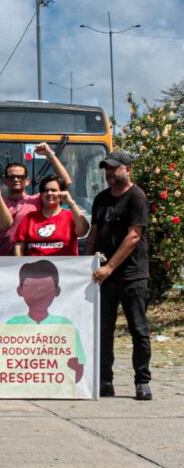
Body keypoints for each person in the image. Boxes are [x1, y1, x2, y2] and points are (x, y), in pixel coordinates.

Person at [86, 151, 152, 401]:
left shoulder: (136, 197)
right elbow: (94, 232)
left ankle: (142, 381)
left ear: (127, 169)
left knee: (138, 329)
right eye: (107, 169)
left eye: (114, 169)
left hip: (132, 275)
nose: (110, 173)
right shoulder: (101, 198)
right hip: (104, 276)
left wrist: (110, 267)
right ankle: (105, 381)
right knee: (104, 330)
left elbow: (133, 236)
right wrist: (87, 262)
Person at [0, 143, 72, 256]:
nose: (16, 180)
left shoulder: (38, 199)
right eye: (12, 177)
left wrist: (50, 154)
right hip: (4, 261)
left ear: (27, 181)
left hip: (31, 261)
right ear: (5, 180)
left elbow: (65, 182)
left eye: (21, 177)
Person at [12, 174, 88, 257]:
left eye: (54, 190)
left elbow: (83, 231)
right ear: (40, 195)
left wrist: (71, 203)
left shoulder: (70, 216)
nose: (49, 193)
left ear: (62, 193)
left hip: (64, 268)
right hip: (34, 268)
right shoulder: (29, 218)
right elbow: (18, 247)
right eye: (45, 190)